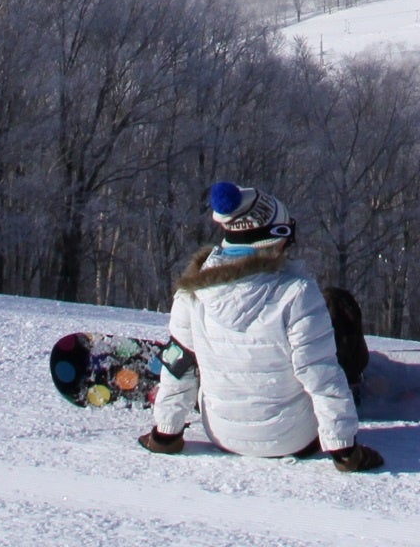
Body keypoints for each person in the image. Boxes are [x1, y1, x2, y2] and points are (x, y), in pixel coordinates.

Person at [139, 182, 383, 472]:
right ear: (275, 237)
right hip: (293, 439)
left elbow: (179, 367)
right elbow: (320, 373)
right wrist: (345, 450)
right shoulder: (297, 293)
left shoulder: (190, 294)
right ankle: (353, 385)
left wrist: (165, 434)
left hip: (222, 435)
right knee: (337, 304)